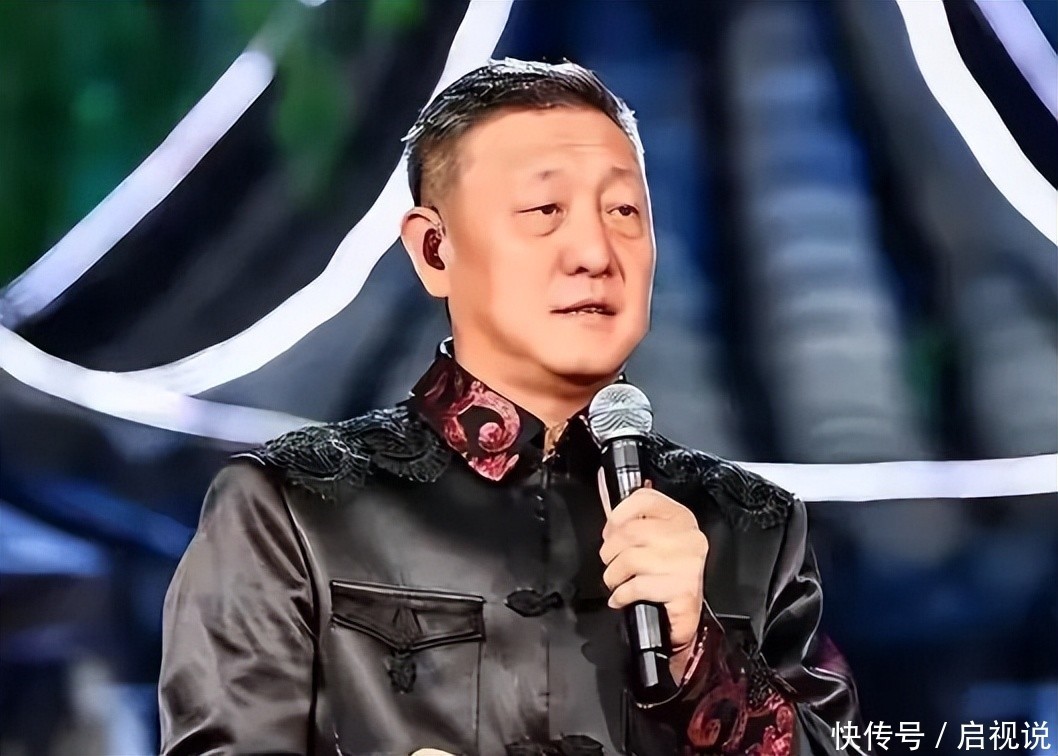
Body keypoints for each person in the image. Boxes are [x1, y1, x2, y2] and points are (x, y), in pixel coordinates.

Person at [159, 59, 864, 755]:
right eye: (545, 211)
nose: (594, 252)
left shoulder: (753, 524)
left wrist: (699, 658)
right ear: (434, 250)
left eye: (623, 212)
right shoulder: (289, 509)